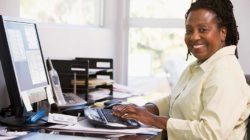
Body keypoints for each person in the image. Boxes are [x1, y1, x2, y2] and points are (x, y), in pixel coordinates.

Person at [113, 0, 250, 139]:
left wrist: (153, 120)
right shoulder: (200, 66)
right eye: (189, 30)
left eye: (203, 29)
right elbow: (175, 99)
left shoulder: (226, 73)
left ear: (223, 33)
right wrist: (146, 109)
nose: (194, 37)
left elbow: (211, 134)